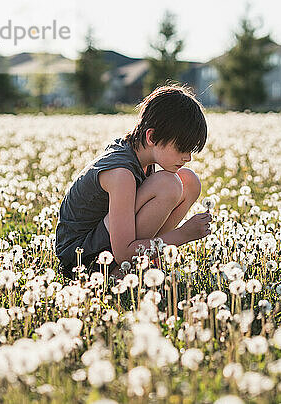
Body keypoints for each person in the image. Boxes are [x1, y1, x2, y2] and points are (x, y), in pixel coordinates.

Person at [55, 84, 212, 280]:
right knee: (168, 184)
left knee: (189, 182)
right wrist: (183, 235)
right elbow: (123, 252)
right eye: (182, 148)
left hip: (105, 240)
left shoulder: (139, 153)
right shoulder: (121, 173)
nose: (188, 157)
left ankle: (147, 259)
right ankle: (120, 273)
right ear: (152, 136)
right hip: (81, 261)